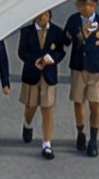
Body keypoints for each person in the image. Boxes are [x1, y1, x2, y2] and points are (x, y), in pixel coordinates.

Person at [64, 0, 99, 156]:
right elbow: (65, 41)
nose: (84, 8)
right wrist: (75, 34)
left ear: (95, 5)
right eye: (80, 4)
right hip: (78, 67)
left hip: (96, 70)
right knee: (78, 101)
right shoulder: (73, 20)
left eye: (88, 4)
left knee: (95, 104)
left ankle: (93, 139)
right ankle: (81, 132)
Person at [15, 10, 67, 159]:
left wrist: (52, 58)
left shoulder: (56, 31)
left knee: (47, 108)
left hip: (48, 75)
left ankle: (47, 143)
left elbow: (61, 51)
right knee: (31, 106)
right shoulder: (27, 32)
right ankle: (28, 124)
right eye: (39, 16)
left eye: (45, 15)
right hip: (32, 73)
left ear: (50, 15)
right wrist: (34, 61)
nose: (42, 19)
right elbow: (22, 52)